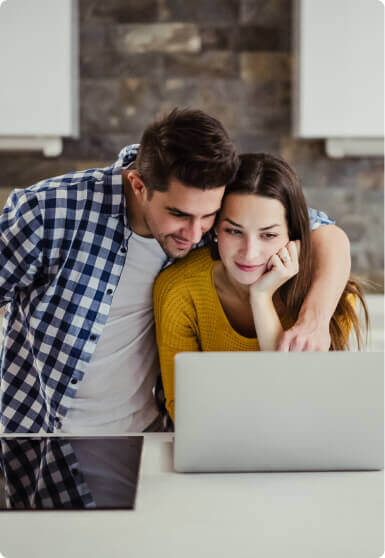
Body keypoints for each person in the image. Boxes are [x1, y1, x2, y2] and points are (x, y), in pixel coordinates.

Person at [0, 109, 350, 433]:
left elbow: (323, 232)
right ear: (139, 186)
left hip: (142, 438)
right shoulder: (49, 212)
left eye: (208, 217)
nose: (195, 233)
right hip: (38, 436)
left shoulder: (218, 222)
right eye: (179, 214)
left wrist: (313, 322)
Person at [153, 153, 368, 424]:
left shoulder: (326, 293)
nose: (249, 253)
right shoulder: (178, 289)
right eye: (234, 231)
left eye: (268, 235)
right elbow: (183, 411)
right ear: (215, 228)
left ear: (293, 234)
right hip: (216, 453)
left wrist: (261, 297)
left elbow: (300, 410)